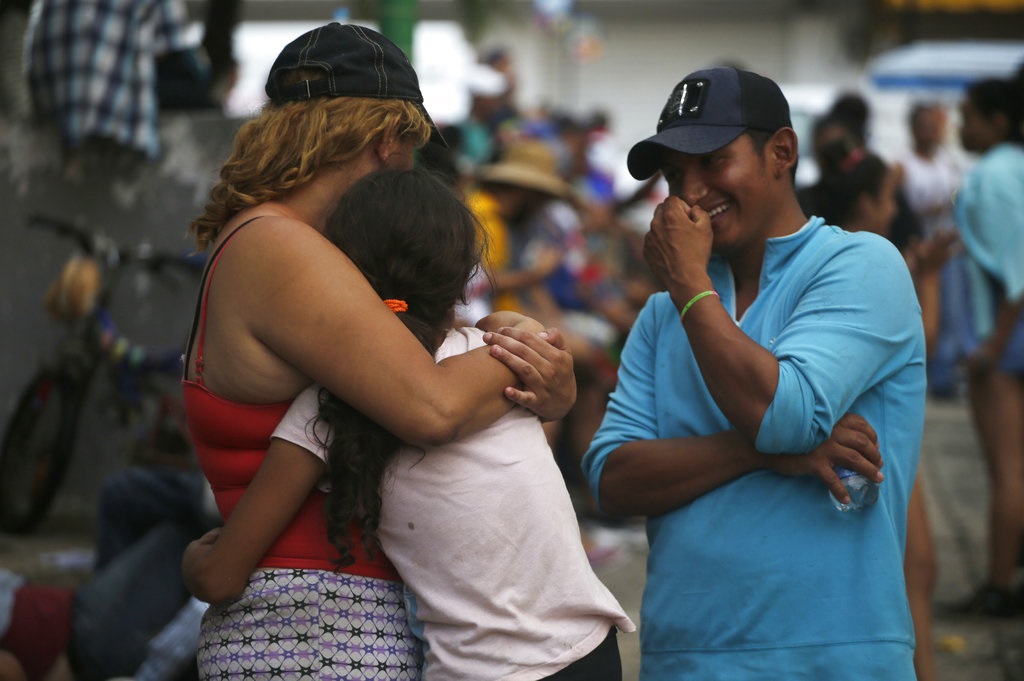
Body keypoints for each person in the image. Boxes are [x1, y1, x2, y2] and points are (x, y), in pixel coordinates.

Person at [178, 22, 575, 679]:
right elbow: (433, 405)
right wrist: (530, 346)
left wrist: (549, 380)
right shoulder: (281, 247)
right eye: (412, 148)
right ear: (388, 139)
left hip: (308, 618)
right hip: (321, 625)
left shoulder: (272, 241)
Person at [186, 167, 634, 680]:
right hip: (590, 650)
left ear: (339, 275)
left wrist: (193, 563)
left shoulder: (329, 405)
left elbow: (222, 578)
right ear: (465, 272)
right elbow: (518, 329)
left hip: (484, 671)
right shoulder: (502, 354)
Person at [582, 66, 926, 679]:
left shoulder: (862, 265)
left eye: (713, 161)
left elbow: (786, 417)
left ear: (782, 152)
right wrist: (757, 456)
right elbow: (612, 478)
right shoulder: (665, 314)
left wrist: (688, 284)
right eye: (675, 175)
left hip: (834, 657)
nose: (690, 193)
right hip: (683, 656)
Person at [813, 136, 956, 681]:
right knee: (912, 576)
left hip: (870, 442)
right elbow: (930, 337)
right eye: (888, 198)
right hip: (873, 451)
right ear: (866, 205)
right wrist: (933, 279)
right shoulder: (869, 259)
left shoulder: (828, 256)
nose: (895, 210)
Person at [952, 76, 1024, 617]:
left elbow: (1018, 272)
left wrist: (990, 349)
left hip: (1005, 338)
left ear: (998, 121)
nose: (961, 126)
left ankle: (1000, 586)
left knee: (1007, 470)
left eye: (969, 115)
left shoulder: (997, 173)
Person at [899, 102, 966, 398]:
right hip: (920, 249)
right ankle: (923, 375)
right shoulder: (902, 165)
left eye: (935, 126)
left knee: (950, 311)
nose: (931, 132)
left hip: (946, 250)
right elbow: (900, 210)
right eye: (925, 125)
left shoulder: (945, 162)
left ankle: (944, 376)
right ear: (913, 129)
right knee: (922, 309)